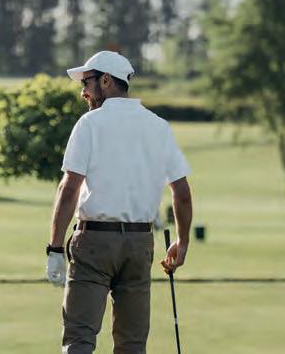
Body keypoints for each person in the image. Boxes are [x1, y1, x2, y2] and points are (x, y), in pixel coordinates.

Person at [45, 50, 193, 354]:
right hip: (139, 244)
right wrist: (182, 241)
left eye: (86, 82)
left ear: (106, 81)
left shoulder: (89, 123)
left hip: (94, 243)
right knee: (132, 345)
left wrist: (55, 248)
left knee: (79, 340)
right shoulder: (158, 126)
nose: (83, 92)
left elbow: (69, 189)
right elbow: (181, 192)